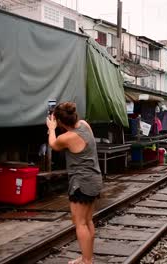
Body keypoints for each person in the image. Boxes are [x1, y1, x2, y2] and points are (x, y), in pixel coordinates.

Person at [46, 102, 102, 264]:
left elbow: (53, 144)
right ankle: (87, 257)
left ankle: (86, 261)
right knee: (88, 220)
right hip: (94, 179)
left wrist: (51, 128)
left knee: (80, 223)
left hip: (81, 184)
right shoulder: (85, 125)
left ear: (61, 122)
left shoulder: (66, 137)